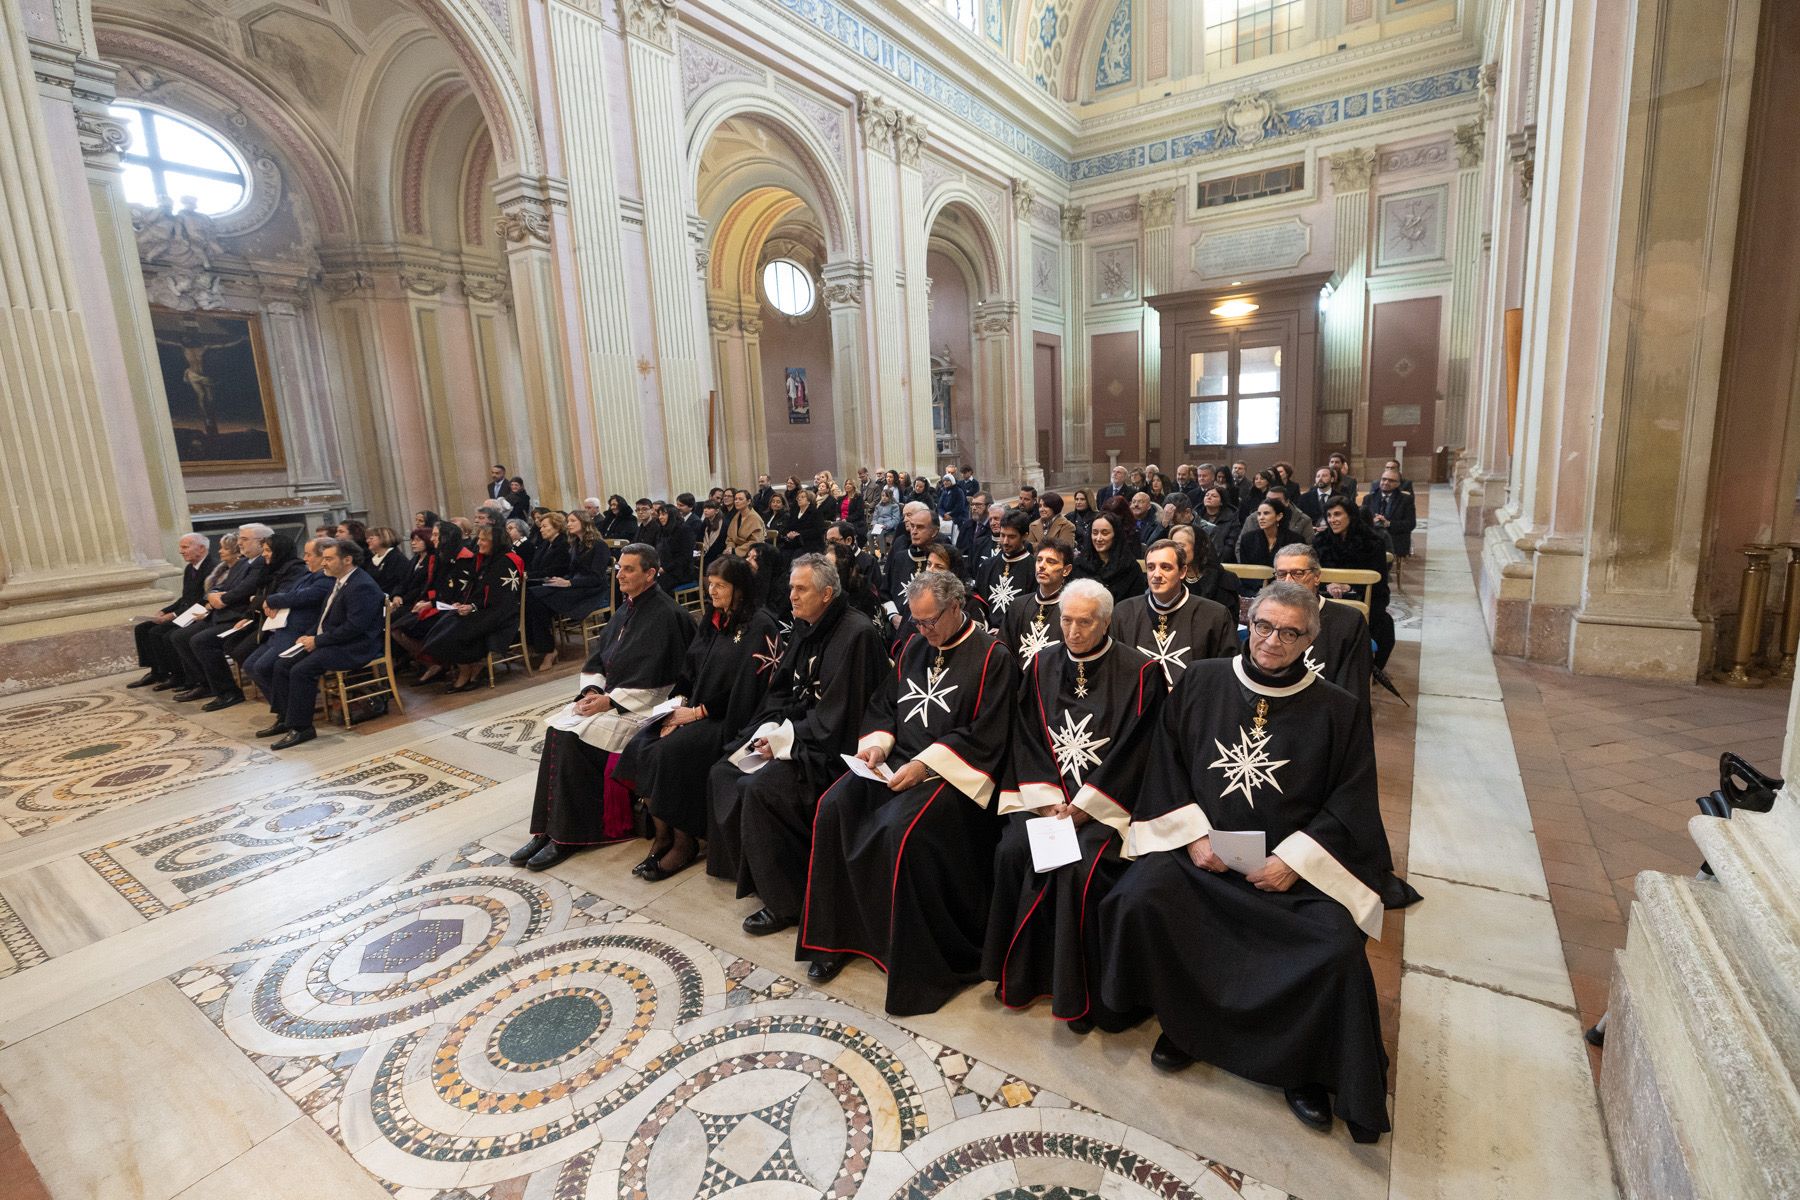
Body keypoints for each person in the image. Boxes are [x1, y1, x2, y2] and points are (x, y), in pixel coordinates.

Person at [1099, 581, 1393, 1143]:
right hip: (1202, 858)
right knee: (1139, 896)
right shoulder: (1201, 680)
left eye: (1290, 633)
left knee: (1335, 948)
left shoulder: (1339, 709)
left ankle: (1302, 1066)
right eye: (1263, 626)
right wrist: (1192, 837)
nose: (1272, 641)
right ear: (1248, 622)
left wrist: (1293, 861)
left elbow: (1352, 801)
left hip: (1285, 874)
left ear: (1310, 639)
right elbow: (1166, 762)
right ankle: (1186, 1026)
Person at [798, 570, 1016, 1015]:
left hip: (951, 776)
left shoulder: (993, 657)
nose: (923, 630)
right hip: (897, 761)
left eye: (930, 621)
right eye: (916, 621)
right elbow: (884, 703)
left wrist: (925, 765)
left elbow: (989, 734)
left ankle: (909, 961)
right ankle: (836, 939)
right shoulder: (915, 646)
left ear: (956, 607)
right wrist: (878, 745)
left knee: (900, 833)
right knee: (834, 807)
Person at [983, 579, 1166, 1030]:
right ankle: (1020, 978)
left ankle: (1079, 994)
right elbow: (1026, 736)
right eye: (1066, 620)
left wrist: (1086, 807)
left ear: (1106, 622)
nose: (1073, 631)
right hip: (1047, 799)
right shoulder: (1041, 664)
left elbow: (1139, 751)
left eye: (1085, 622)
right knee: (1011, 851)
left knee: (1080, 868)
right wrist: (1047, 801)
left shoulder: (1141, 673)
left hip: (1108, 806)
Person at [708, 553, 887, 936]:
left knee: (760, 789)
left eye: (800, 589)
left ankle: (786, 902)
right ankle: (756, 875)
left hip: (831, 749)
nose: (791, 596)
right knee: (724, 770)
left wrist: (783, 741)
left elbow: (842, 715)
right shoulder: (807, 626)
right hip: (797, 733)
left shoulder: (856, 634)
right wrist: (768, 729)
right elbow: (783, 690)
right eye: (791, 588)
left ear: (826, 593)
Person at [510, 544, 696, 870]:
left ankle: (569, 836)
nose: (619, 575)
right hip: (612, 699)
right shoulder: (625, 610)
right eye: (619, 568)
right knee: (556, 731)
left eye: (629, 569)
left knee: (573, 739)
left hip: (645, 707)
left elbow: (666, 680)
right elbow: (599, 657)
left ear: (650, 574)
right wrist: (592, 690)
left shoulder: (668, 615)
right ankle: (545, 830)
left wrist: (610, 700)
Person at [615, 556, 782, 882]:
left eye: (720, 586)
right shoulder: (714, 618)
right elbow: (690, 668)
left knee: (670, 753)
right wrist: (675, 707)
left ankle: (684, 841)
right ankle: (662, 835)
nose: (712, 591)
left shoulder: (759, 625)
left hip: (729, 719)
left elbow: (748, 689)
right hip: (692, 710)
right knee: (641, 744)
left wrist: (697, 713)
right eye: (710, 585)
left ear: (739, 588)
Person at [257, 539, 386, 750]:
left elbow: (354, 627)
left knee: (301, 670)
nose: (323, 563)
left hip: (355, 646)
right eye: (324, 558)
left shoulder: (362, 586)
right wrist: (308, 635)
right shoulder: (339, 580)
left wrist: (317, 641)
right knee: (282, 663)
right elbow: (326, 618)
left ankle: (302, 728)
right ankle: (285, 719)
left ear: (347, 560)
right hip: (334, 641)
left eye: (329, 559)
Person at [189, 532, 309, 711]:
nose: (264, 554)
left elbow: (271, 598)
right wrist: (250, 611)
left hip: (279, 625)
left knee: (249, 659)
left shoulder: (294, 569)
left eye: (268, 550)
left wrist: (259, 602)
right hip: (259, 619)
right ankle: (281, 704)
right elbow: (258, 597)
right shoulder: (267, 567)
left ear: (279, 551)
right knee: (233, 647)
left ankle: (285, 703)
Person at [417, 523, 526, 692]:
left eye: (484, 540)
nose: (479, 543)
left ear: (495, 542)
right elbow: (473, 587)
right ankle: (468, 668)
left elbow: (501, 598)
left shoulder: (507, 561)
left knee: (453, 633)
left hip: (499, 614)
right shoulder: (485, 559)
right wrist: (462, 602)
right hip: (480, 609)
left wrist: (473, 606)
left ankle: (467, 670)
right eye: (479, 539)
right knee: (442, 626)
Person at [1111, 539, 1235, 686]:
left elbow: (1226, 674)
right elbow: (1113, 669)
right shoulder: (1124, 612)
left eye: (1165, 567)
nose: (1157, 574)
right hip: (1139, 699)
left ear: (1182, 571)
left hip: (1193, 699)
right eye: (1151, 567)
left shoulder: (1215, 615)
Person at [171, 524, 271, 702]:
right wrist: (213, 595)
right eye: (239, 539)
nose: (239, 543)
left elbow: (245, 589)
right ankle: (205, 684)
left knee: (201, 640)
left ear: (261, 542)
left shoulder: (261, 563)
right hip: (223, 613)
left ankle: (228, 691)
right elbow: (222, 586)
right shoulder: (242, 563)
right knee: (179, 636)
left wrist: (222, 599)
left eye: (244, 539)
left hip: (240, 616)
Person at [244, 538, 333, 710]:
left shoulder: (325, 578)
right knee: (250, 665)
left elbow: (302, 596)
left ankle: (288, 713)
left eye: (308, 555)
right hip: (282, 630)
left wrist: (270, 601)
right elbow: (287, 593)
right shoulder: (308, 575)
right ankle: (284, 710)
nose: (304, 559)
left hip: (298, 633)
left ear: (323, 557)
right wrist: (273, 603)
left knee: (263, 667)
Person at [524, 510, 614, 669]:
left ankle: (547, 649)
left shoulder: (599, 545)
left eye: (573, 521)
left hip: (591, 591)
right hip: (576, 585)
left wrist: (569, 583)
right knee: (532, 595)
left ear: (584, 523)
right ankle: (542, 645)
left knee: (536, 599)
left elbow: (596, 578)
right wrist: (561, 580)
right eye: (568, 521)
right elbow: (572, 571)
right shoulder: (576, 544)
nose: (568, 524)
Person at [1315, 498, 1395, 669]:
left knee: (1385, 627)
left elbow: (1380, 584)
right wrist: (1327, 585)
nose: (1332, 520)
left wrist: (1350, 586)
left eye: (1337, 514)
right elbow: (1312, 575)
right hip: (1326, 599)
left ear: (1350, 515)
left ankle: (1367, 671)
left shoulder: (1373, 542)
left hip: (1363, 598)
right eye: (1329, 515)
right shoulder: (1320, 541)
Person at [129, 533, 216, 688]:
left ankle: (179, 675)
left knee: (162, 633)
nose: (181, 551)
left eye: (185, 547)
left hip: (198, 614)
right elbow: (185, 598)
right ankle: (157, 671)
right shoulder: (190, 568)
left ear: (201, 548)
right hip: (185, 611)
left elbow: (204, 600)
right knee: (142, 629)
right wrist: (165, 611)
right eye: (181, 547)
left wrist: (174, 615)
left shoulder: (213, 568)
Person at [1000, 539, 1074, 669]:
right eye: (1039, 560)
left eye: (1051, 562)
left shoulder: (1072, 609)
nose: (1042, 566)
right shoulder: (1018, 605)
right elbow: (1003, 651)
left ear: (1066, 570)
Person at [878, 501, 937, 630]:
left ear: (934, 532)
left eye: (920, 527)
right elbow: (885, 591)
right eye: (913, 526)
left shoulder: (942, 558)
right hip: (896, 627)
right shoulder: (900, 557)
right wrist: (893, 616)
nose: (914, 531)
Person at [971, 509, 1035, 629]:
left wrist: (1005, 631)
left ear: (1024, 536)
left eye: (1011, 537)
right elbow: (977, 600)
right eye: (1002, 535)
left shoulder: (1034, 568)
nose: (1005, 542)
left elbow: (1032, 609)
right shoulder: (987, 565)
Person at [1236, 497, 1305, 593]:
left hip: (1286, 589)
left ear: (1279, 516)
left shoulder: (1295, 540)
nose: (1261, 518)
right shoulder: (1248, 539)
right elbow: (1246, 571)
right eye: (1259, 514)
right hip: (1253, 590)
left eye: (1266, 513)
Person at [1073, 511, 1145, 603]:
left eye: (1105, 533)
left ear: (1116, 535)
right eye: (1095, 533)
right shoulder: (1079, 565)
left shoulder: (1130, 568)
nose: (1098, 538)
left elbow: (1136, 604)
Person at [1169, 523, 1237, 612]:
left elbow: (1227, 617)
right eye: (1173, 546)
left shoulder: (1224, 579)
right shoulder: (1171, 578)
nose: (1176, 551)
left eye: (1181, 546)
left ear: (1197, 547)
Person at [1361, 468, 1417, 557]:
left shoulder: (1406, 500)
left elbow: (1411, 524)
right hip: (1372, 538)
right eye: (1384, 479)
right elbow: (1361, 521)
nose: (1386, 482)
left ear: (1398, 484)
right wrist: (1372, 521)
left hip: (1395, 539)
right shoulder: (1368, 498)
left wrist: (1388, 523)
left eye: (1391, 480)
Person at [652, 501, 696, 594]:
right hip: (664, 569)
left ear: (672, 515)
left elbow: (685, 557)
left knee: (655, 585)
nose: (660, 517)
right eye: (659, 514)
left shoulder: (684, 530)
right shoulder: (662, 531)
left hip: (680, 572)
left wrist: (665, 569)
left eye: (663, 514)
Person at [365, 526, 410, 596]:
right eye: (367, 539)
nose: (367, 541)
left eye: (371, 538)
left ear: (384, 538)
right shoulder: (373, 560)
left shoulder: (396, 558)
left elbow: (401, 582)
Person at [723, 488, 766, 555]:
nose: (737, 501)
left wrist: (735, 551)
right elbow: (730, 537)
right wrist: (730, 548)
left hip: (752, 553)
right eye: (735, 499)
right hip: (735, 552)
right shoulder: (737, 516)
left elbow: (755, 542)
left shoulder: (755, 518)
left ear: (748, 501)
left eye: (740, 499)